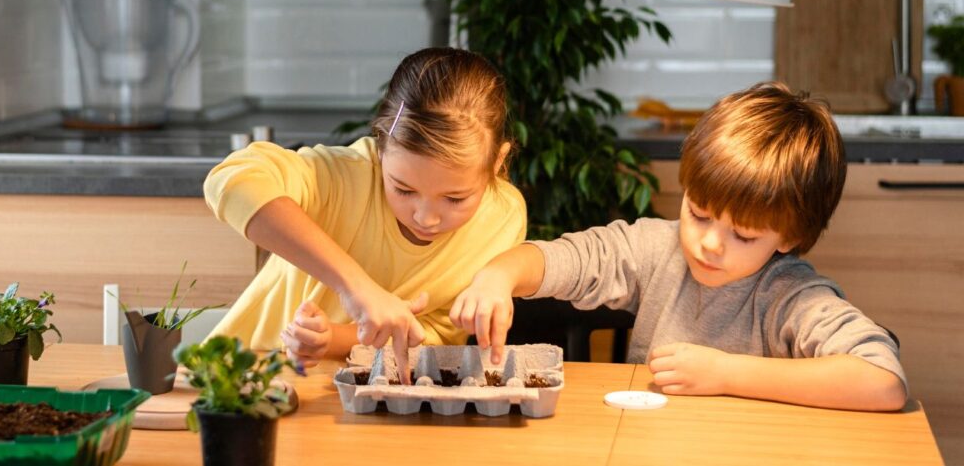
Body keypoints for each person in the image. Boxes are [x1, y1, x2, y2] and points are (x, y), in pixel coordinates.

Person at [451, 82, 907, 411]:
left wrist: (728, 374)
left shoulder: (789, 296)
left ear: (789, 238)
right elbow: (569, 257)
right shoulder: (658, 249)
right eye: (699, 213)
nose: (708, 243)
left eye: (743, 235)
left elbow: (882, 380)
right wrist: (500, 274)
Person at [204, 47, 526, 382]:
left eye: (455, 198)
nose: (426, 218)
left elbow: (432, 336)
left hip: (350, 394)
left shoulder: (503, 218)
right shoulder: (344, 176)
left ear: (498, 161)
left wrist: (331, 339)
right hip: (240, 376)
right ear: (380, 148)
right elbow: (230, 180)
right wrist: (354, 288)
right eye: (403, 190)